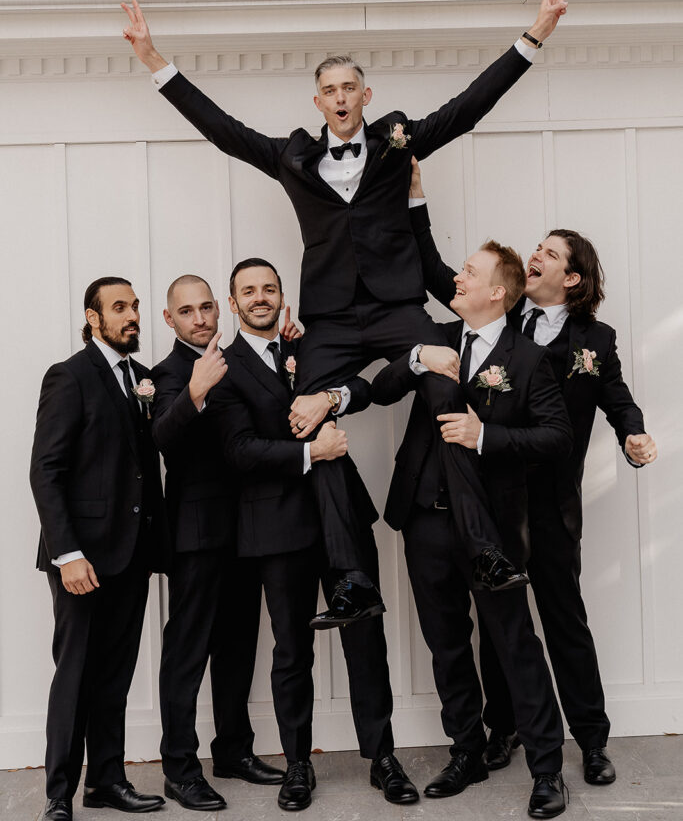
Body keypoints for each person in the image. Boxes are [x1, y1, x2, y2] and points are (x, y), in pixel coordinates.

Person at [120, 0, 570, 617]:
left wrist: (535, 35)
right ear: (317, 100)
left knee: (447, 382)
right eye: (328, 90)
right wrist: (154, 61)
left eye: (349, 88)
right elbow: (222, 129)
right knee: (306, 415)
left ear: (365, 95)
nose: (339, 97)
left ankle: (483, 549)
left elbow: (469, 106)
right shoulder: (291, 158)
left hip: (395, 309)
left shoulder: (398, 141)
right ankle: (351, 579)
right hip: (329, 318)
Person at [408, 161, 657, 786]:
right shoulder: (499, 321)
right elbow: (443, 276)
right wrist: (415, 202)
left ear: (571, 278)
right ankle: (503, 728)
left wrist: (633, 432)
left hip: (550, 505)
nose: (536, 255)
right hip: (493, 500)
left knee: (563, 615)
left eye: (549, 253)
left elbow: (617, 396)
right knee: (499, 624)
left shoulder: (593, 337)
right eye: (536, 250)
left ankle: (592, 740)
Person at [207, 258, 419, 809]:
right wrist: (310, 451)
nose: (260, 297)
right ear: (233, 304)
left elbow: (358, 383)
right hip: (277, 529)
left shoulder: (311, 345)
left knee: (366, 641)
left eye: (269, 288)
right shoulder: (221, 368)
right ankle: (298, 764)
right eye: (248, 291)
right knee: (291, 651)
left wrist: (328, 396)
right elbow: (239, 451)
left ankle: (383, 758)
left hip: (342, 516)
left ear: (282, 297)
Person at [372, 241, 572, 819]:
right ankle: (467, 753)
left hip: (492, 529)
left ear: (497, 293)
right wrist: (415, 361)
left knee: (514, 643)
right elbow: (383, 387)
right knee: (447, 647)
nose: (457, 278)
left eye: (469, 272)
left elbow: (556, 437)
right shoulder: (435, 338)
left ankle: (547, 770)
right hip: (424, 521)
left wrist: (485, 436)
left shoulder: (529, 358)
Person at [30, 278, 168, 821]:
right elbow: (46, 470)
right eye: (119, 308)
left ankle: (107, 781)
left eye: (134, 306)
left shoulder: (143, 378)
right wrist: (67, 554)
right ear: (93, 318)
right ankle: (58, 795)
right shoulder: (69, 376)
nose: (131, 315)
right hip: (82, 558)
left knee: (115, 673)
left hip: (131, 553)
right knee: (76, 673)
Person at [151, 274, 285, 811]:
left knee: (237, 648)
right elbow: (161, 436)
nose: (201, 318)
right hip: (195, 536)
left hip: (245, 531)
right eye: (188, 311)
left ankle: (233, 750)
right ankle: (180, 769)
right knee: (186, 655)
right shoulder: (166, 375)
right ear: (170, 320)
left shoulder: (235, 359)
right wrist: (194, 391)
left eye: (207, 307)